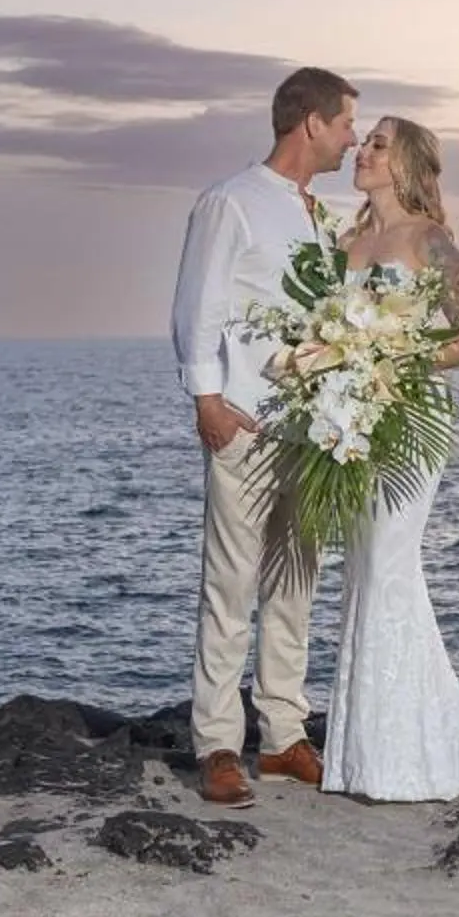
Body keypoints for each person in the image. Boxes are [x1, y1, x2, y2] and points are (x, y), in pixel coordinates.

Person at [320, 116, 459, 802]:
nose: (362, 150)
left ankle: (398, 758)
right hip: (351, 415)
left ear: (406, 164)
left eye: (378, 144)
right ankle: (362, 754)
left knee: (388, 560)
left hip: (412, 415)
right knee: (364, 566)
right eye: (364, 141)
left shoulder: (431, 241)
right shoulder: (346, 241)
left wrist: (394, 357)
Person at [171, 66, 359, 808]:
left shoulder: (322, 214)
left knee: (295, 584)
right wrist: (207, 400)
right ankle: (218, 744)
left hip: (313, 430)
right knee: (230, 585)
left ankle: (283, 736)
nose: (352, 139)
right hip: (246, 421)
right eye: (345, 124)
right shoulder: (231, 202)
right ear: (311, 122)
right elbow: (198, 304)